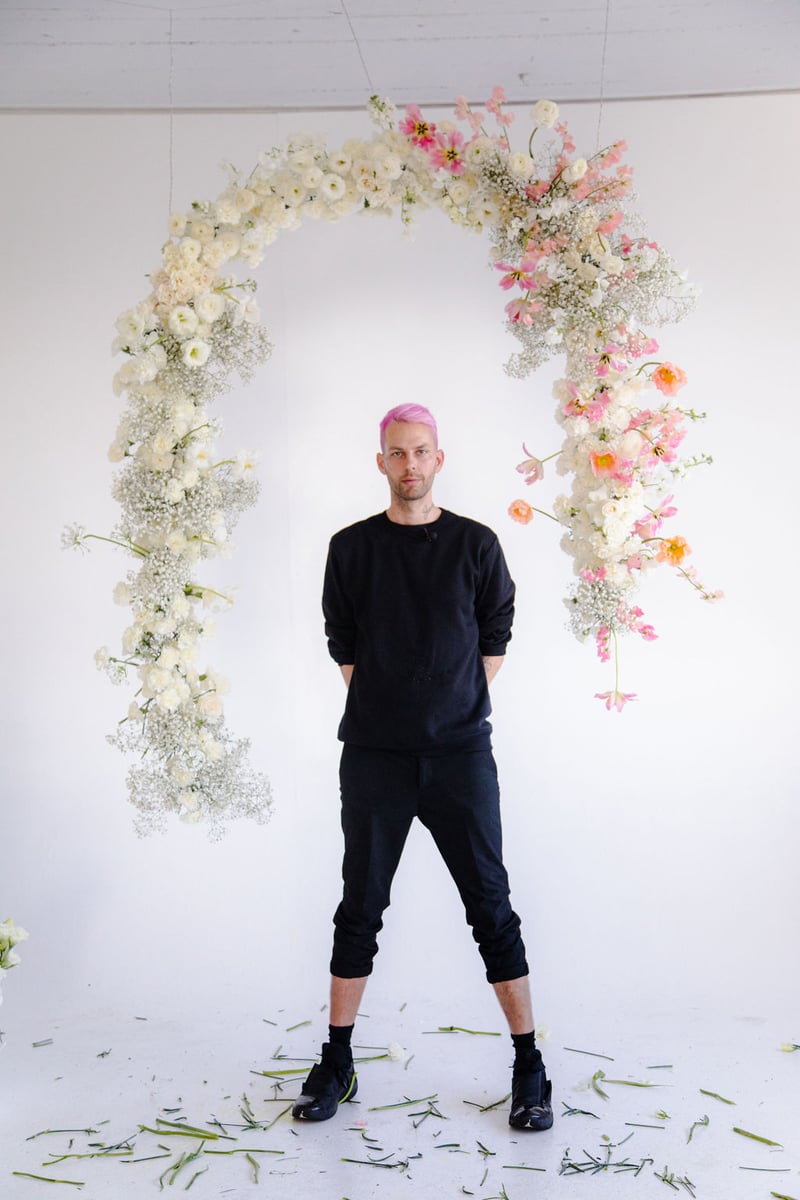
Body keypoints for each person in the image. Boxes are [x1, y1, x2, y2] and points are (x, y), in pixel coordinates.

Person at [291, 403, 552, 1131]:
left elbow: (497, 627)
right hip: (375, 757)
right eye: (397, 453)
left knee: (491, 909)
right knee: (360, 909)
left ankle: (529, 1064)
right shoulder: (351, 548)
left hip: (462, 755)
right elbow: (340, 635)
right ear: (382, 463)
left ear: (440, 459)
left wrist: (450, 701)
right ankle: (337, 1059)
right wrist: (388, 705)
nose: (410, 464)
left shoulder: (476, 543)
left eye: (421, 452)